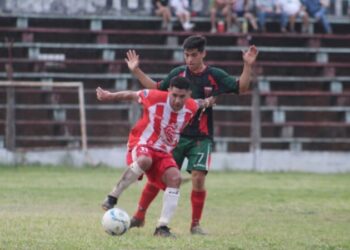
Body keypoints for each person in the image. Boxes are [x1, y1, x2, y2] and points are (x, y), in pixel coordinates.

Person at [124, 35, 259, 235]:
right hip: (175, 136)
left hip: (201, 137)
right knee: (159, 178)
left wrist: (247, 66)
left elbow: (242, 87)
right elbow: (156, 88)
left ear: (203, 54)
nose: (189, 60)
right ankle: (139, 215)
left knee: (198, 177)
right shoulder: (178, 74)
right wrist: (136, 71)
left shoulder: (214, 75)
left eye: (193, 55)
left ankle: (195, 225)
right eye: (186, 55)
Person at [99, 76, 213, 237]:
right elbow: (131, 95)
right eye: (174, 95)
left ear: (189, 95)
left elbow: (202, 103)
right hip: (141, 143)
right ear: (168, 92)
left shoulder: (191, 106)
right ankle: (112, 196)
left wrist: (210, 101)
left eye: (182, 96)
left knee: (175, 178)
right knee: (145, 160)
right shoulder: (154, 97)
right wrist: (109, 96)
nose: (177, 100)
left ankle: (162, 227)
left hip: (163, 152)